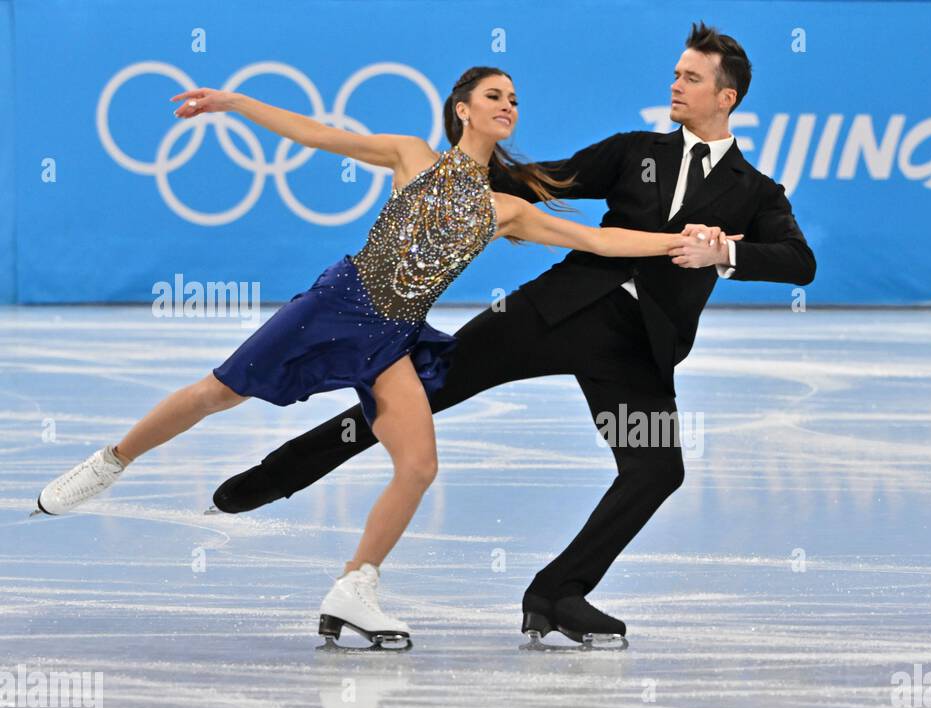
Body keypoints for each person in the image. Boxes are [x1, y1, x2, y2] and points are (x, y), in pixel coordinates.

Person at [32, 65, 734, 651]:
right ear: (462, 110)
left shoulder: (506, 210)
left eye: (514, 99)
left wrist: (685, 240)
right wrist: (234, 103)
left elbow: (604, 243)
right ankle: (111, 462)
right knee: (219, 393)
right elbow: (316, 134)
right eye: (494, 96)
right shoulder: (410, 155)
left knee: (419, 464)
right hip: (336, 306)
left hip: (391, 337)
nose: (508, 105)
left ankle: (356, 586)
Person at [213, 22, 816, 650]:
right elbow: (542, 182)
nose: (676, 84)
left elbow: (799, 262)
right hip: (552, 312)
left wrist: (725, 255)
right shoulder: (636, 151)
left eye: (691, 77)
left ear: (727, 96)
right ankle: (279, 473)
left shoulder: (754, 191)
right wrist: (452, 182)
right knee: (425, 386)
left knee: (657, 467)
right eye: (676, 73)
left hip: (639, 347)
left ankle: (558, 594)